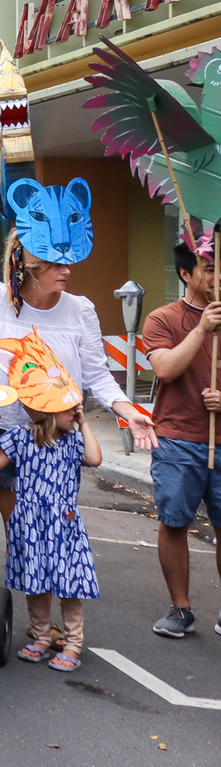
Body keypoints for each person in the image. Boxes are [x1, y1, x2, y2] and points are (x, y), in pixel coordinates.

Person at [0, 227, 155, 525]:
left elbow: (99, 376)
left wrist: (129, 413)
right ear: (28, 266)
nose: (67, 271)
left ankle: (29, 568)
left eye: (68, 263)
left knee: (38, 520)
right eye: (56, 264)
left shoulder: (80, 311)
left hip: (53, 436)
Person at [141, 240, 221, 638]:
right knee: (174, 522)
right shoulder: (162, 319)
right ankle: (180, 608)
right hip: (177, 439)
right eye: (207, 268)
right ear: (186, 274)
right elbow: (166, 369)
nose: (216, 275)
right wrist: (203, 328)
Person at [0, 402, 103, 672]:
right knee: (35, 582)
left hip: (63, 522)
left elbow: (95, 459)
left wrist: (84, 423)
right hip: (29, 522)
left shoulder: (73, 440)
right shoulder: (20, 437)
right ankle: (41, 636)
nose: (75, 412)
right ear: (47, 412)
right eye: (68, 409)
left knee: (69, 583)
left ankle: (73, 643)